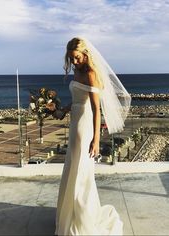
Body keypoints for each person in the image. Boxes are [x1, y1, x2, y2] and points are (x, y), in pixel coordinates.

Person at [50, 37, 131, 235]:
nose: (74, 62)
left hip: (85, 127)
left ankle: (82, 219)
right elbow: (77, 101)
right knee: (72, 169)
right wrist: (60, 111)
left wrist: (96, 139)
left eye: (77, 58)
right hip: (74, 123)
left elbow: (96, 110)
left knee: (82, 172)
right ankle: (70, 215)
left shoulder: (92, 74)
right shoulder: (77, 71)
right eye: (71, 58)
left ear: (86, 54)